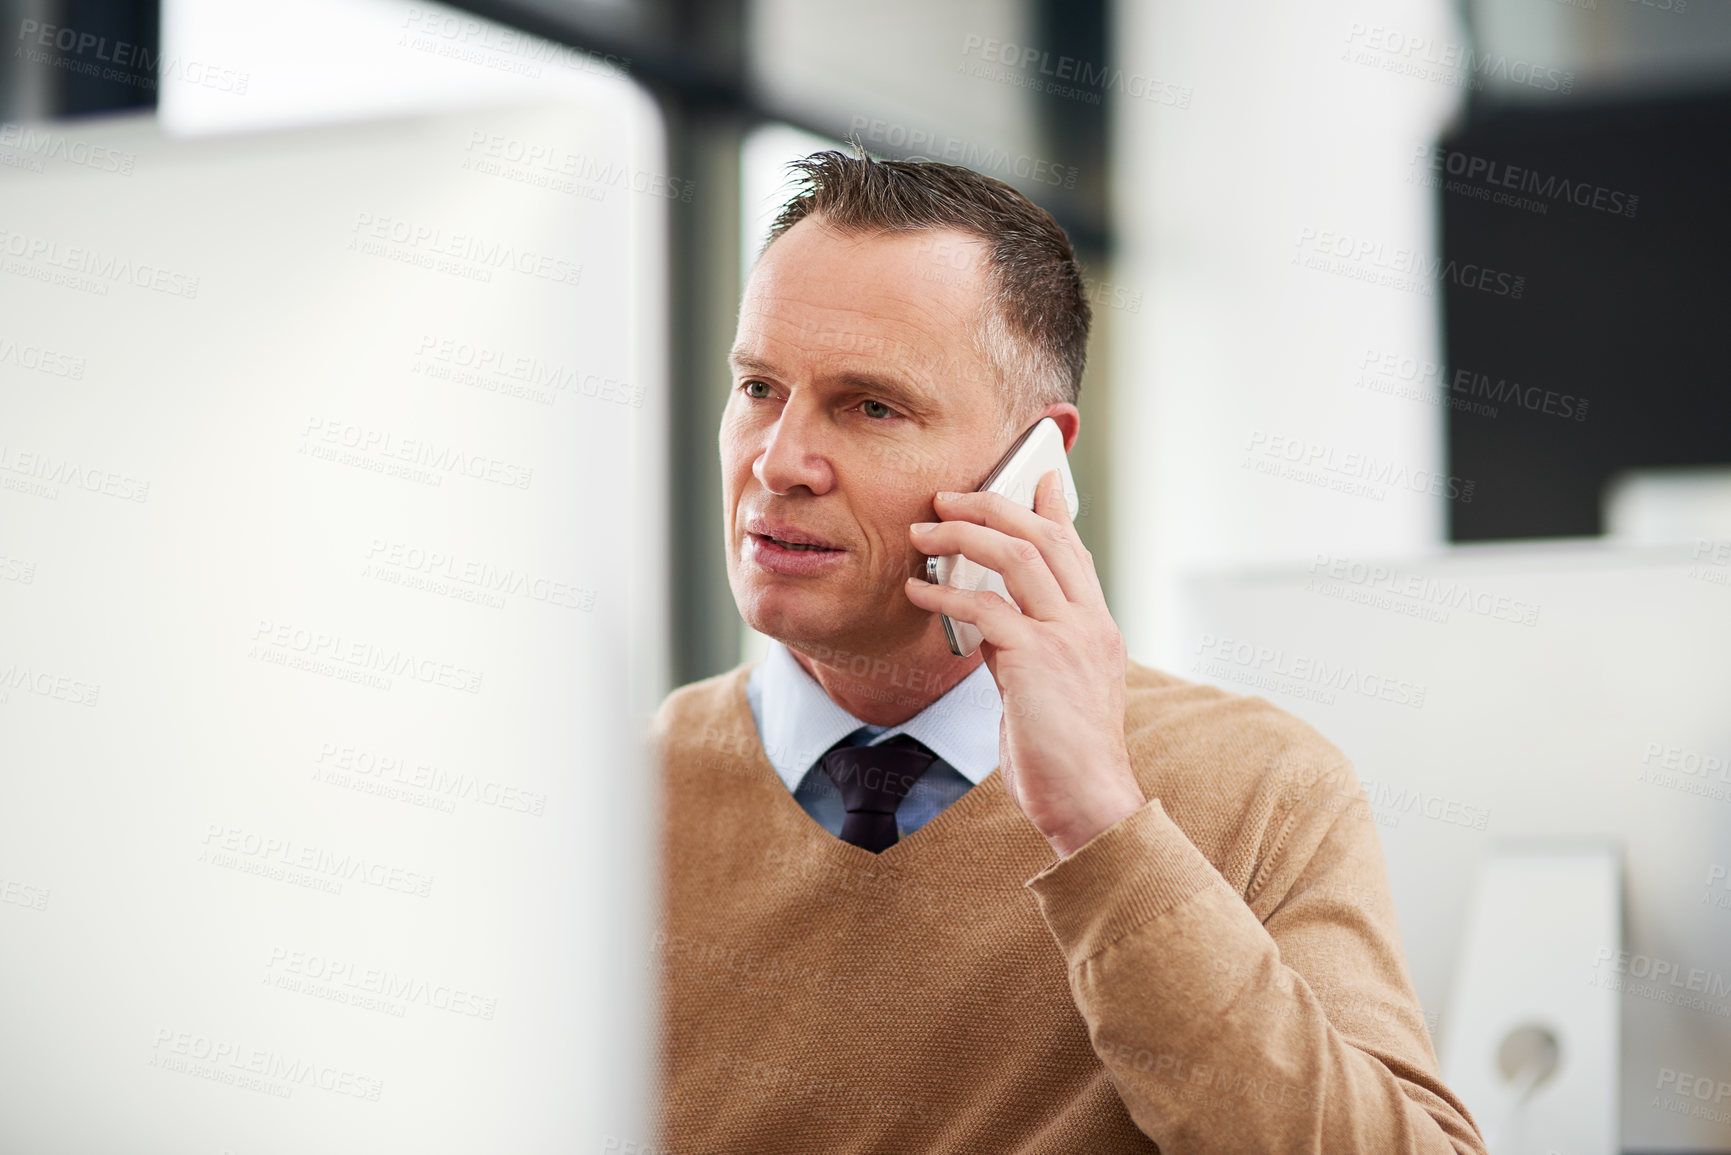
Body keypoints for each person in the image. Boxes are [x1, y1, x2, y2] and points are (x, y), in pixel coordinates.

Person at [649, 146, 1487, 1154]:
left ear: (1030, 464)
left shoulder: (1262, 788)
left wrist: (1102, 823)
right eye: (758, 388)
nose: (779, 463)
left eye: (870, 405)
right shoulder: (616, 799)